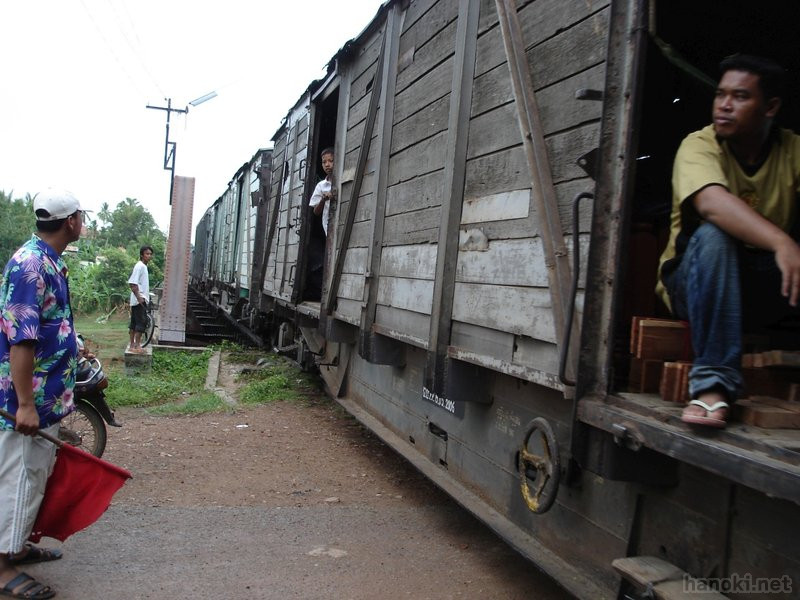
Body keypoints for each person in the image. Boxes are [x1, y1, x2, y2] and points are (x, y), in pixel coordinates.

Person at [657, 54, 800, 428]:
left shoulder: (793, 151)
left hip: (760, 285)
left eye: (739, 96)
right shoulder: (699, 144)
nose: (723, 104)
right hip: (694, 284)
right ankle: (712, 387)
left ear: (770, 107)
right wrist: (782, 242)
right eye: (720, 94)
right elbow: (712, 204)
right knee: (716, 234)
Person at [0, 188, 86, 599]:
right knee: (17, 479)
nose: (83, 222)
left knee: (33, 477)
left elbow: (50, 322)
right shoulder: (32, 265)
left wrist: (74, 340)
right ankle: (1, 567)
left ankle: (14, 545)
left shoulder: (50, 260)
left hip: (45, 399)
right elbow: (21, 341)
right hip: (25, 401)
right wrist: (26, 405)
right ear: (70, 222)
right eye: (81, 216)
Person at [127, 245, 153, 352]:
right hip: (139, 300)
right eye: (147, 254)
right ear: (142, 255)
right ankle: (137, 346)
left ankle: (132, 345)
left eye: (150, 254)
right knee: (141, 323)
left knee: (134, 323)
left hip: (138, 299)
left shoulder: (143, 266)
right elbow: (133, 283)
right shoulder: (140, 266)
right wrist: (139, 297)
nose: (149, 256)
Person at [308, 147, 335, 236]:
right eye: (324, 162)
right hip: (328, 227)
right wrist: (323, 200)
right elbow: (316, 211)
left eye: (331, 161)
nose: (327, 164)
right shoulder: (321, 185)